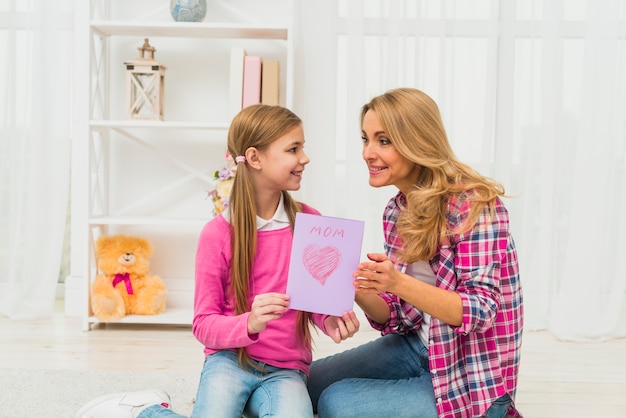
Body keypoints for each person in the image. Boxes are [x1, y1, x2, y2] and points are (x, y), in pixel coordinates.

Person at [76, 104, 360, 418]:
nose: (304, 158)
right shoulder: (218, 234)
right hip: (229, 361)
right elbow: (203, 324)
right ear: (255, 158)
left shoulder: (309, 221)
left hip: (286, 369)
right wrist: (249, 322)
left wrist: (328, 318)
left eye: (302, 148)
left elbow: (313, 299)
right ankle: (145, 410)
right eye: (293, 149)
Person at [307, 88, 524, 418]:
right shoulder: (396, 211)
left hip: (468, 373)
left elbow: (482, 311)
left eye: (384, 141)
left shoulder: (474, 204)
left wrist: (397, 282)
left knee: (339, 403)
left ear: (416, 141)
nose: (368, 152)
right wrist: (356, 284)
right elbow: (401, 316)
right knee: (307, 382)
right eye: (365, 139)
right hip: (418, 347)